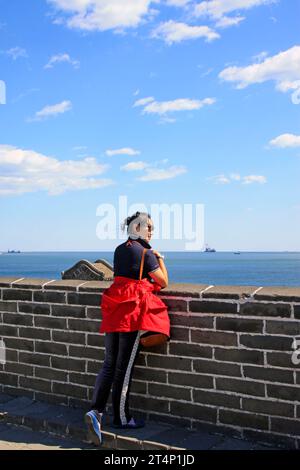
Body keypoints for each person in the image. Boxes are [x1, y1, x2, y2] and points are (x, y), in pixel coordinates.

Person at [85, 211, 170, 446]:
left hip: (114, 307)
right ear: (137, 227)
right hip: (132, 312)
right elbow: (163, 282)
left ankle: (95, 412)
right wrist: (160, 258)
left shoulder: (120, 249)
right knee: (124, 366)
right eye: (149, 227)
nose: (152, 231)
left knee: (109, 363)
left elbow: (125, 276)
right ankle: (122, 418)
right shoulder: (146, 252)